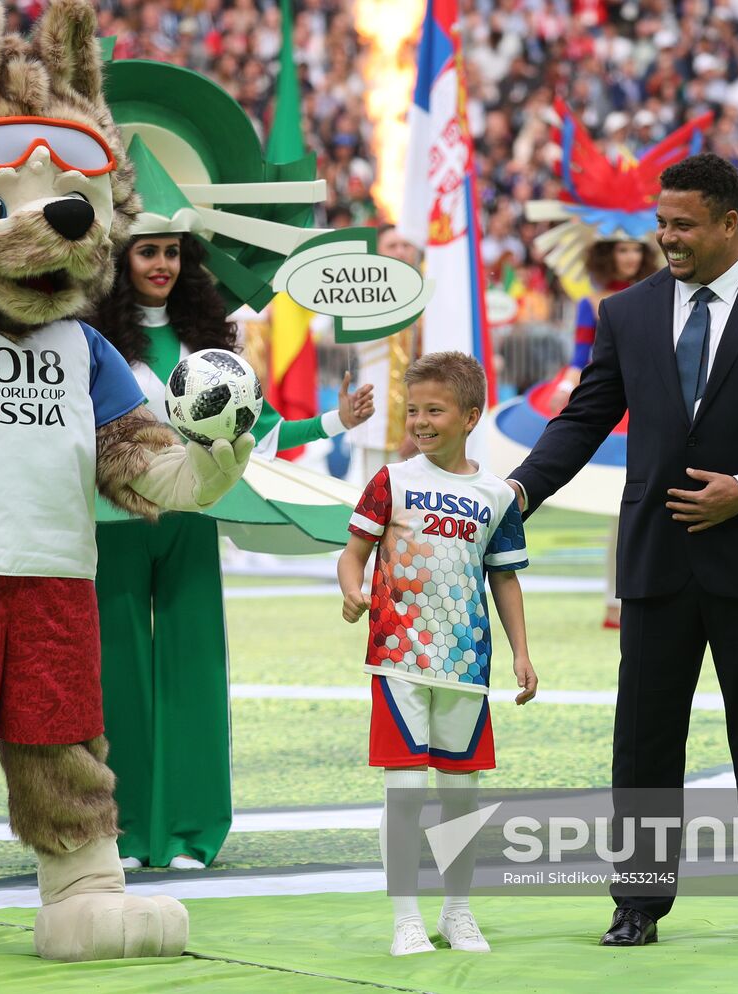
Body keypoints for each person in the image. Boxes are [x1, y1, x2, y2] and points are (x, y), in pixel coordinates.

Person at [508, 154, 738, 946]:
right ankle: (637, 903)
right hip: (657, 559)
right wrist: (520, 492)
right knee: (645, 739)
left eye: (683, 224)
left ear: (731, 222)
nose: (667, 237)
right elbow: (584, 419)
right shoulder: (625, 312)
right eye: (662, 223)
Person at [88, 190, 374, 870]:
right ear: (122, 259)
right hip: (111, 520)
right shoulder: (92, 342)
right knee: (114, 675)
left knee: (193, 669)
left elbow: (259, 430)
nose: (161, 264)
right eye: (147, 252)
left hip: (192, 518)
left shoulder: (207, 342)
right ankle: (121, 832)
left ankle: (191, 829)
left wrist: (335, 422)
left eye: (172, 252)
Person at [339, 351, 537, 956]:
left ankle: (457, 913)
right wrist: (352, 589)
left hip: (466, 666)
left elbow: (504, 578)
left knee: (460, 797)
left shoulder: (497, 495)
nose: (420, 422)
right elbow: (353, 553)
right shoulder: (391, 481)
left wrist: (521, 654)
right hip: (398, 660)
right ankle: (406, 919)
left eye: (435, 410)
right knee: (405, 791)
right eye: (413, 410)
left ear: (471, 416)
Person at [548, 239, 659, 629]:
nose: (630, 257)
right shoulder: (591, 303)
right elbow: (581, 356)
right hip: (613, 410)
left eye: (635, 250)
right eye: (621, 250)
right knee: (619, 504)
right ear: (606, 255)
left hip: (653, 402)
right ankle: (615, 602)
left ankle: (641, 598)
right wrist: (567, 387)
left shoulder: (662, 295)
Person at [344, 224, 420, 484]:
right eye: (392, 246)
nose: (400, 252)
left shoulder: (430, 298)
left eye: (406, 245)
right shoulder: (360, 298)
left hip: (425, 421)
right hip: (376, 420)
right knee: (377, 498)